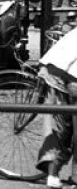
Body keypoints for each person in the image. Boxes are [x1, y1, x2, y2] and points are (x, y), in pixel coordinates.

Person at [37, 23, 77, 187]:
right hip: (65, 75)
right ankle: (65, 176)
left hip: (57, 71)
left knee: (62, 129)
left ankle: (56, 175)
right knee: (66, 129)